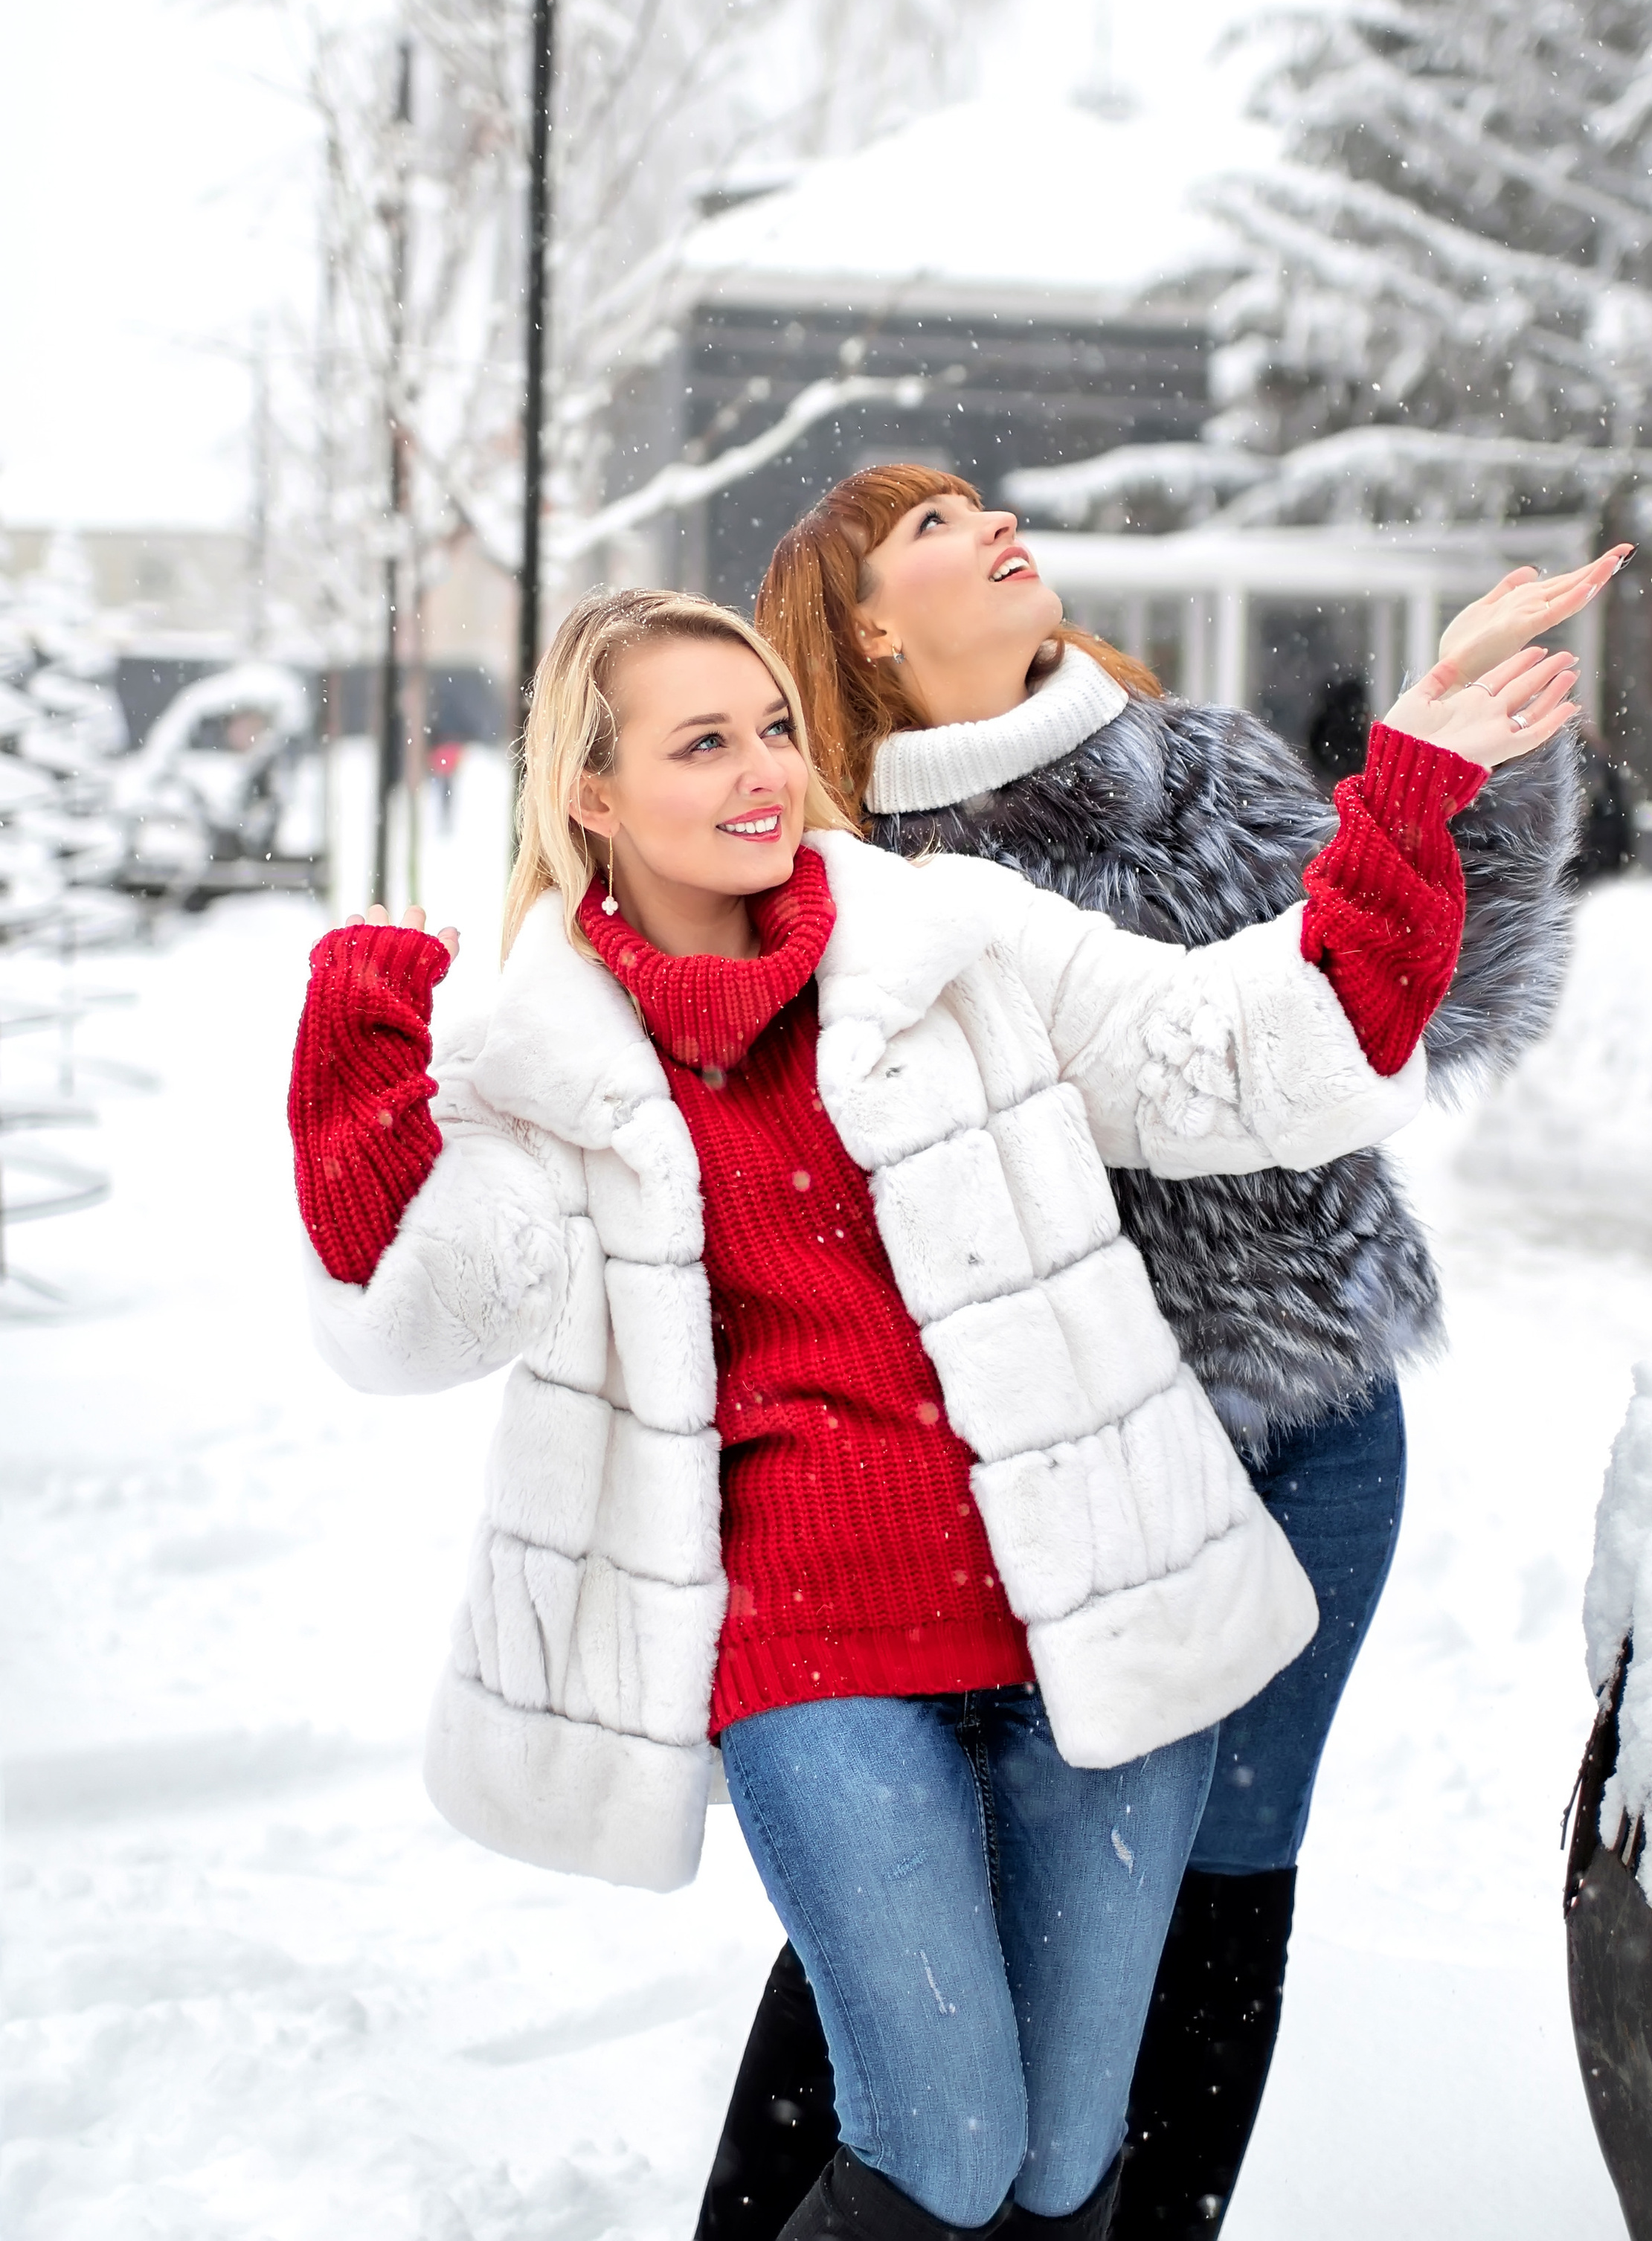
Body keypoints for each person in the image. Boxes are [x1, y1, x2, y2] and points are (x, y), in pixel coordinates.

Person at [286, 586, 1575, 2241]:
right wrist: (358, 1037)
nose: (760, 771)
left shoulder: (946, 932)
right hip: (812, 1659)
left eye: (769, 729)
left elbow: (1245, 1055)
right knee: (944, 2145)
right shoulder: (537, 1049)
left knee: (1060, 2167)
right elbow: (417, 1320)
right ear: (591, 796)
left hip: (1082, 1621)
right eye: (702, 743)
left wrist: (1407, 782)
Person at [687, 478, 1622, 2241]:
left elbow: (1417, 1004)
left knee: (1223, 1892)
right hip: (1062, 1468)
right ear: (868, 627)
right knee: (942, 1922)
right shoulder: (858, 884)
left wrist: (1465, 767)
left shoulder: (1192, 761)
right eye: (934, 529)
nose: (995, 525)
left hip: (1318, 1426)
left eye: (983, 502)